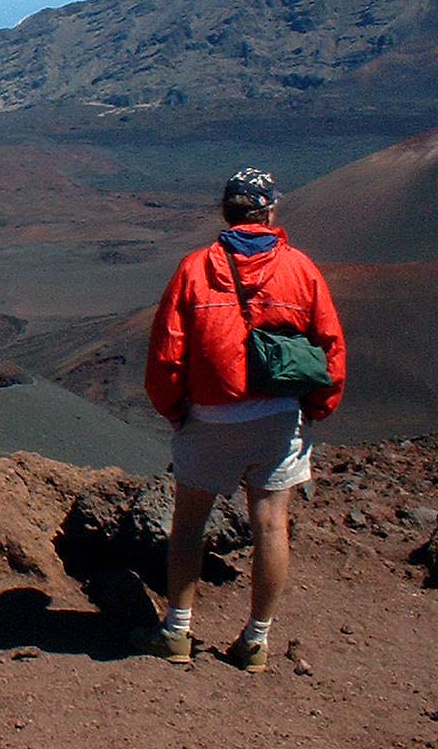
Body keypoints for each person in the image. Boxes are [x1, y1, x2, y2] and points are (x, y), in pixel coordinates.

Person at [133, 167, 346, 672]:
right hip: (277, 417)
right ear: (269, 210)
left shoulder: (194, 268)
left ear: (226, 212)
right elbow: (330, 346)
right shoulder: (301, 270)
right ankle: (255, 642)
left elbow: (167, 353)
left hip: (209, 415)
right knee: (272, 524)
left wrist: (175, 412)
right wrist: (316, 407)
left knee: (188, 525)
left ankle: (177, 632)